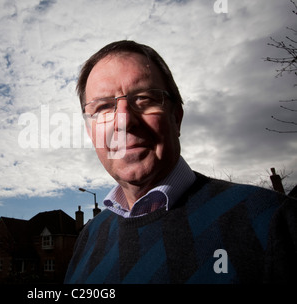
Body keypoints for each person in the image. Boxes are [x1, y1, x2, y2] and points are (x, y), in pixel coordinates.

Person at [64, 40, 297, 284]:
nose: (123, 121)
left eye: (143, 98)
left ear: (176, 118)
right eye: (103, 107)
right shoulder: (88, 239)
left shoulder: (274, 222)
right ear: (91, 133)